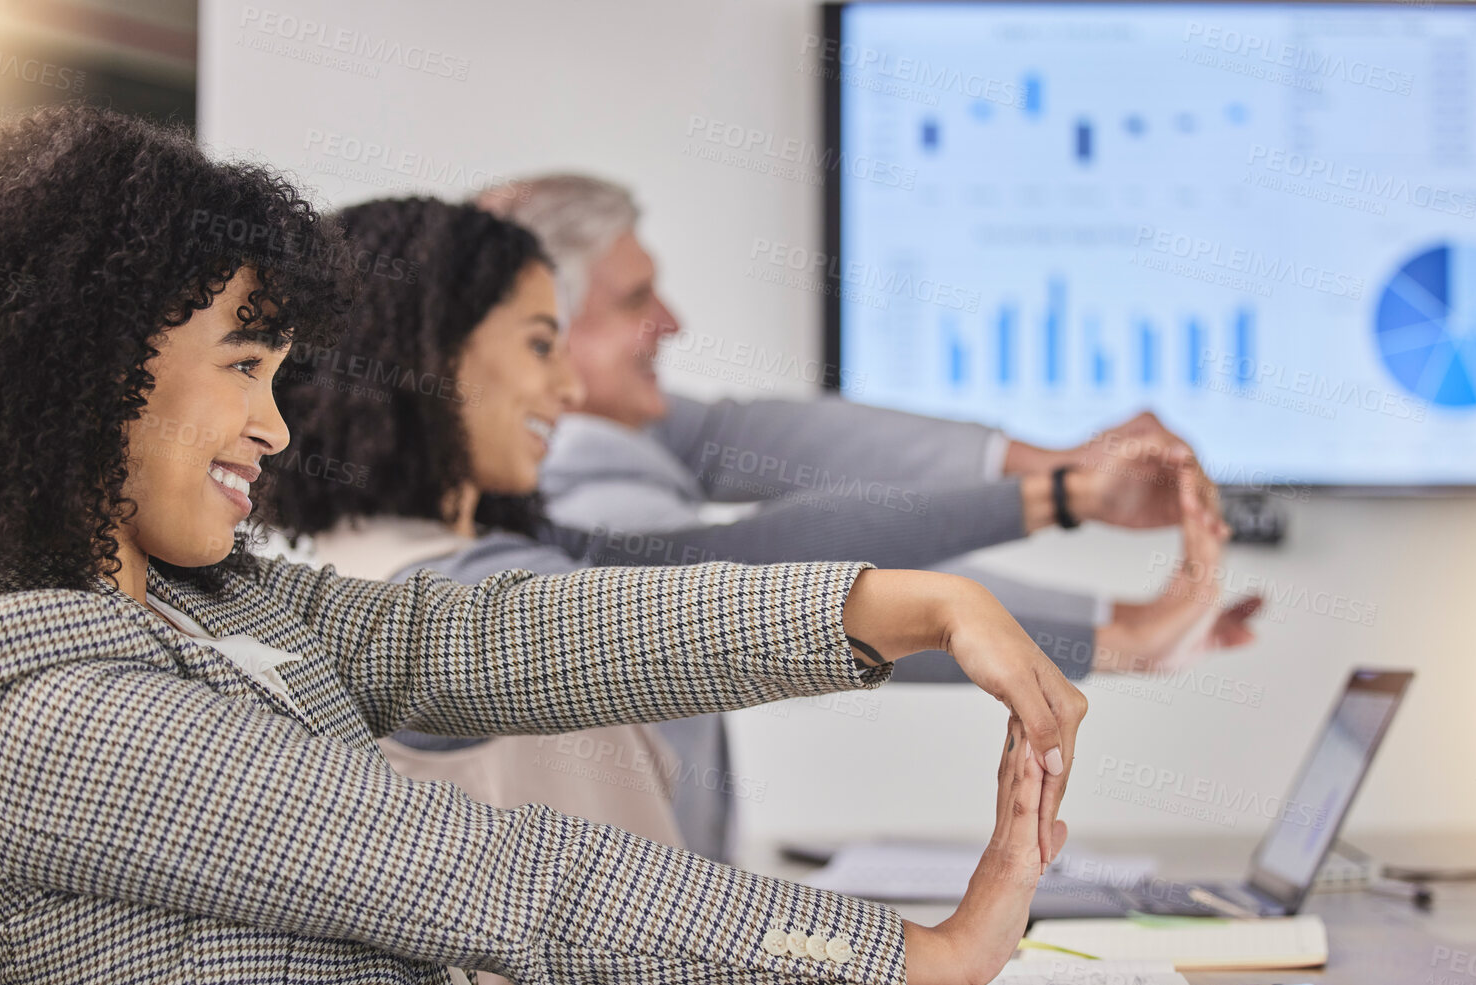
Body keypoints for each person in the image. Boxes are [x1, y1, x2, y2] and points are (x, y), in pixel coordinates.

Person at [0, 107, 1087, 985]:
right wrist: (921, 954)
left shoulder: (198, 606)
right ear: (81, 364)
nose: (275, 430)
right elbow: (493, 877)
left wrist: (891, 607)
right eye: (243, 367)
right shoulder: (38, 701)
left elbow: (490, 638)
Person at [475, 173, 1260, 858]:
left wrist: (1060, 472)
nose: (672, 321)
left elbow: (773, 442)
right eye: (635, 299)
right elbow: (745, 579)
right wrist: (1071, 520)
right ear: (535, 322)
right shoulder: (564, 458)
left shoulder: (609, 429)